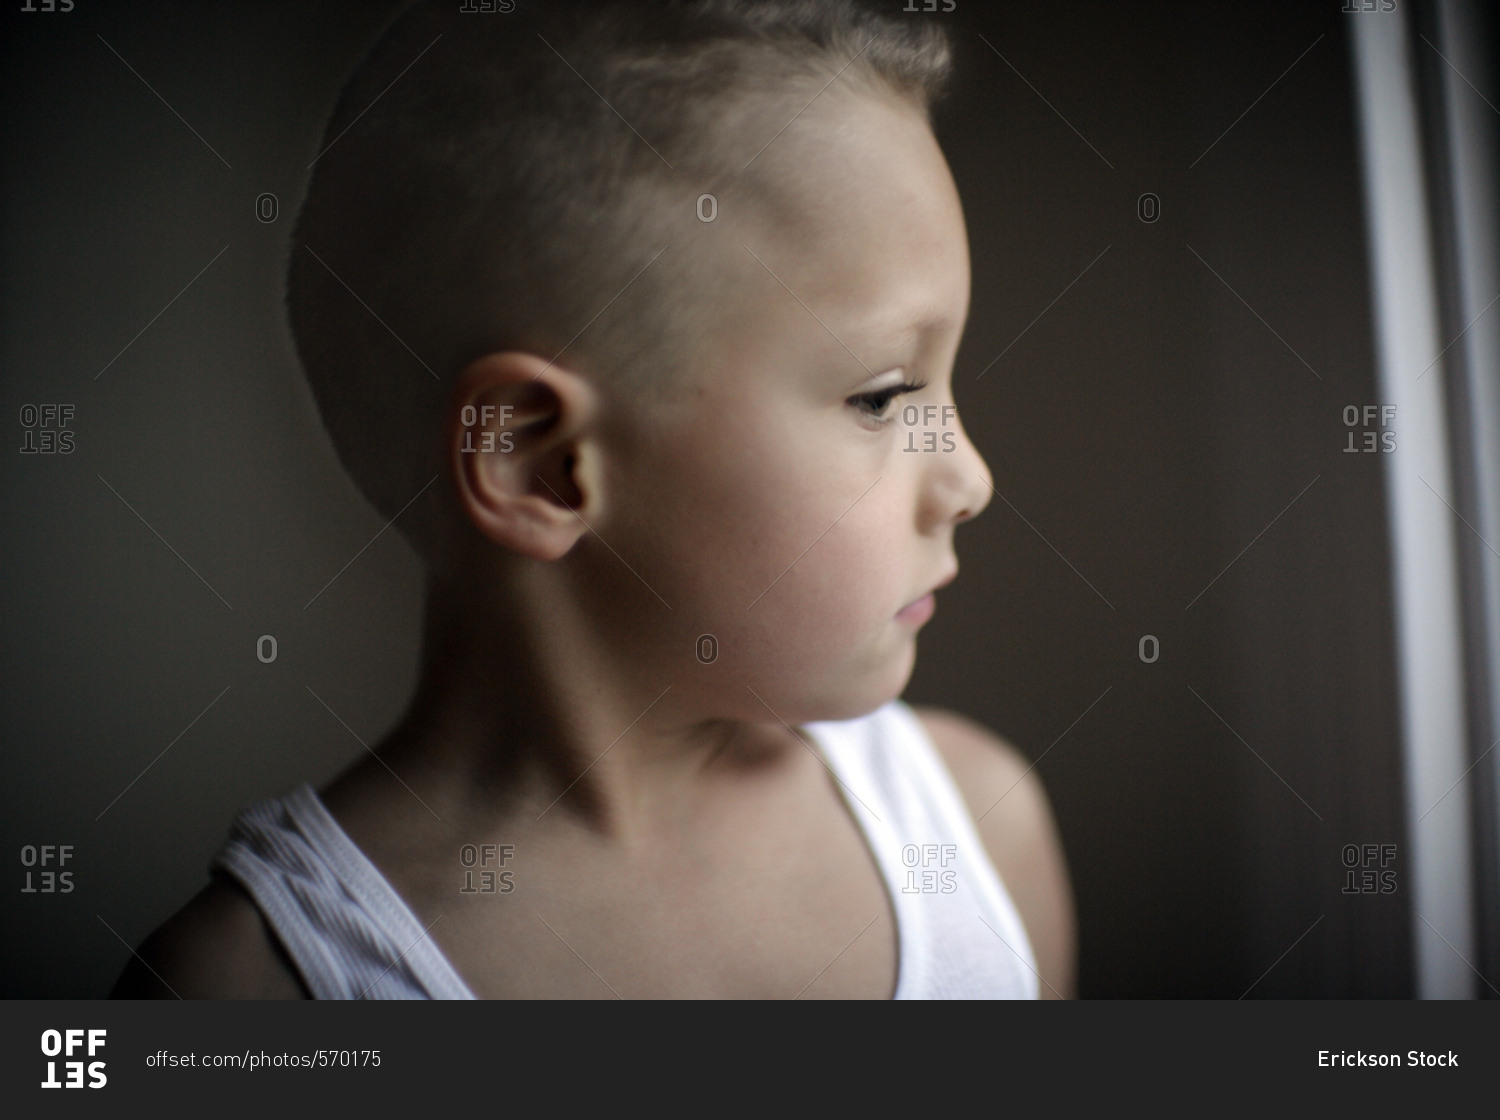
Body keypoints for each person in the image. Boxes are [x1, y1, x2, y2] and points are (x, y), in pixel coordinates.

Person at [112, 0, 1075, 999]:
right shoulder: (256, 989)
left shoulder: (978, 836)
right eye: (882, 396)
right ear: (542, 464)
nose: (970, 478)